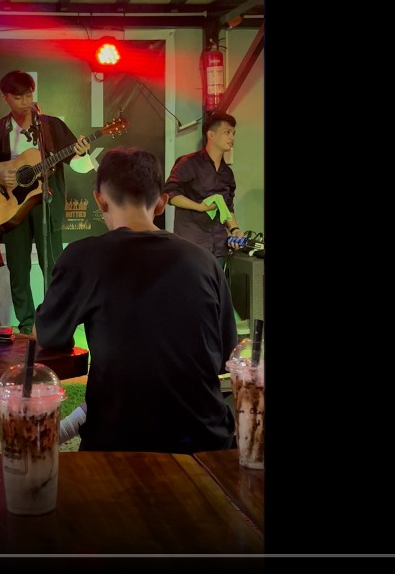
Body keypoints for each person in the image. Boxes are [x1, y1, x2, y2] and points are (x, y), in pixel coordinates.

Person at [35, 147, 237, 454]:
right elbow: (225, 354)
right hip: (207, 442)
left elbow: (48, 336)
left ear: (100, 200)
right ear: (162, 203)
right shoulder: (205, 262)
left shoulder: (83, 257)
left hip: (118, 443)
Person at [0, 71, 93, 335]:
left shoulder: (50, 126)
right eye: (18, 97)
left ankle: (54, 322)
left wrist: (82, 153)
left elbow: (78, 164)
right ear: (5, 98)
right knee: (18, 269)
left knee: (53, 266)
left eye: (29, 95)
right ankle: (26, 325)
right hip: (11, 207)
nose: (25, 102)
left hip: (46, 203)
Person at [164, 112, 244, 270]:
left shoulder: (227, 173)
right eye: (227, 132)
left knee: (216, 285)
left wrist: (235, 230)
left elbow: (228, 206)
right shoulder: (188, 163)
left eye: (233, 133)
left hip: (219, 247)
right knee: (192, 285)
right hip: (192, 245)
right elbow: (170, 194)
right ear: (211, 135)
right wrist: (200, 207)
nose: (232, 137)